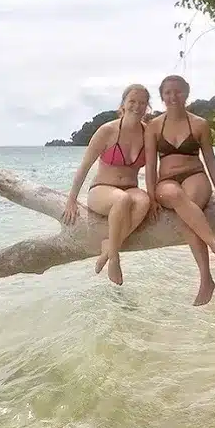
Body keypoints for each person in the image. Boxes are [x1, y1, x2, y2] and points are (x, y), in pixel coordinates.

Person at [145, 74, 215, 306]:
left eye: (178, 91)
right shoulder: (154, 126)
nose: (173, 96)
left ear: (186, 93)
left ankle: (206, 279)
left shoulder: (199, 124)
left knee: (188, 215)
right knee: (176, 197)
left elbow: (210, 158)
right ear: (162, 96)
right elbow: (150, 164)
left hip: (195, 175)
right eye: (167, 92)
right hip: (166, 182)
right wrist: (150, 194)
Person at [62, 84, 152, 285]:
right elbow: (84, 166)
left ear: (147, 107)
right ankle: (114, 258)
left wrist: (156, 196)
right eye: (132, 101)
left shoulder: (149, 134)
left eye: (142, 103)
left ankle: (108, 246)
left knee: (144, 201)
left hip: (131, 187)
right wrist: (71, 200)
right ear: (123, 104)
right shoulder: (107, 131)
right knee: (122, 199)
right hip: (101, 190)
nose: (137, 106)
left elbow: (156, 168)